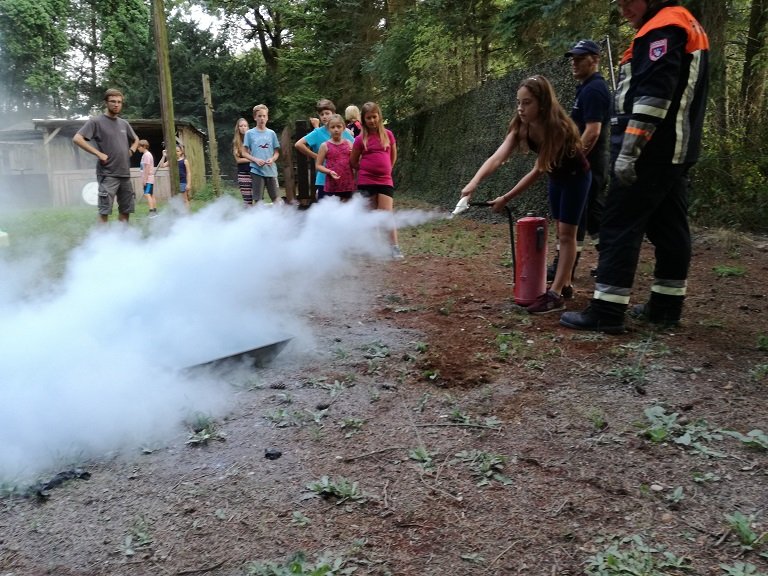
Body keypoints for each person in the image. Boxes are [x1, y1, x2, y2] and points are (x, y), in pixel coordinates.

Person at [560, 0, 709, 333]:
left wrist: (630, 151)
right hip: (675, 148)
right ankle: (665, 306)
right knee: (669, 225)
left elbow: (655, 96)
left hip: (651, 150)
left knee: (618, 224)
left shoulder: (663, 28)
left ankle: (607, 311)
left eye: (630, 1)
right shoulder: (683, 22)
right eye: (619, 3)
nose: (624, 9)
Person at [459, 75, 591, 314]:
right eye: (519, 102)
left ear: (542, 103)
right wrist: (473, 182)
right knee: (562, 232)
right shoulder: (521, 127)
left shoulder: (557, 129)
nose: (521, 108)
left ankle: (556, 293)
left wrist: (506, 198)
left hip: (576, 178)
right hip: (557, 178)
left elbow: (537, 171)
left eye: (527, 102)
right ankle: (566, 283)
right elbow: (498, 157)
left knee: (566, 235)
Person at [548, 39, 611, 284]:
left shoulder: (594, 89)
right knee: (593, 216)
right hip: (591, 165)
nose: (574, 63)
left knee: (581, 215)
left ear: (594, 60)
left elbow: (593, 131)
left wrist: (575, 159)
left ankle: (566, 266)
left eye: (580, 59)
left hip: (590, 165)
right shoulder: (586, 88)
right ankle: (608, 261)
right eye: (572, 59)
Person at [72, 88, 139, 223]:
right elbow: (77, 139)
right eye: (113, 101)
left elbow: (136, 139)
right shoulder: (96, 121)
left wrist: (131, 151)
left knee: (126, 210)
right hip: (108, 174)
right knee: (104, 211)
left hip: (125, 174)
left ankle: (123, 240)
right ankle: (101, 242)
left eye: (119, 102)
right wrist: (98, 153)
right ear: (106, 103)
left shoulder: (124, 124)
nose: (116, 104)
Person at [350, 101, 404, 260]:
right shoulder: (360, 139)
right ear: (363, 119)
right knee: (370, 215)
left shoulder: (388, 134)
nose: (372, 120)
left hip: (385, 180)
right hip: (366, 180)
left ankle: (394, 247)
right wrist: (366, 170)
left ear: (379, 116)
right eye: (368, 118)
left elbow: (393, 156)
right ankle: (373, 247)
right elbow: (353, 161)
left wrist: (387, 169)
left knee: (387, 214)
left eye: (374, 116)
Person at [295, 99, 354, 201]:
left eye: (327, 113)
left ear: (334, 114)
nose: (325, 116)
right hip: (324, 178)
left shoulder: (343, 132)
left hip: (344, 178)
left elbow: (355, 147)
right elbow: (299, 144)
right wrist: (316, 156)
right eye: (322, 114)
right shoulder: (317, 132)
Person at [243, 104, 281, 205]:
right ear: (255, 117)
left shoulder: (271, 133)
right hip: (256, 170)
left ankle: (280, 218)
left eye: (264, 116)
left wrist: (272, 159)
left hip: (271, 170)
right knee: (258, 199)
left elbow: (277, 152)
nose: (262, 118)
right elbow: (244, 153)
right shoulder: (249, 133)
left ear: (267, 117)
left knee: (276, 198)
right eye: (259, 116)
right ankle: (259, 218)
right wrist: (255, 160)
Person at [315, 114, 356, 202]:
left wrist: (353, 155)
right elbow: (318, 165)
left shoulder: (349, 143)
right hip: (332, 185)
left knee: (348, 211)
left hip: (348, 184)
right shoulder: (325, 145)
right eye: (332, 127)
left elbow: (354, 162)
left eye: (338, 127)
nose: (336, 130)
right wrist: (329, 172)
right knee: (332, 211)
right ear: (328, 129)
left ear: (343, 128)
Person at [232, 118, 255, 206]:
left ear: (248, 127)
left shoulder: (253, 140)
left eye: (245, 126)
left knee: (258, 198)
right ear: (238, 128)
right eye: (241, 126)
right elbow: (238, 160)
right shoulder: (236, 143)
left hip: (255, 172)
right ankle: (248, 218)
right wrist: (253, 159)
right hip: (243, 173)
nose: (243, 128)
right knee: (247, 200)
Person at [160, 144, 191, 209]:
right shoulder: (171, 161)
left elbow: (188, 173)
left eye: (178, 151)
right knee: (176, 199)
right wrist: (164, 156)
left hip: (183, 182)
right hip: (174, 183)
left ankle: (187, 215)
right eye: (175, 151)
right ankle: (178, 214)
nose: (176, 153)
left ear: (181, 152)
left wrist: (188, 184)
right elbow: (162, 165)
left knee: (185, 199)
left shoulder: (185, 161)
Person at [137, 140, 158, 218]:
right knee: (151, 195)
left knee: (147, 194)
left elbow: (147, 167)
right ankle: (155, 211)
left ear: (144, 146)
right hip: (148, 178)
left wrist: (145, 180)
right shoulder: (145, 155)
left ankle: (152, 212)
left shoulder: (147, 155)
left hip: (148, 178)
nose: (138, 149)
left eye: (139, 147)